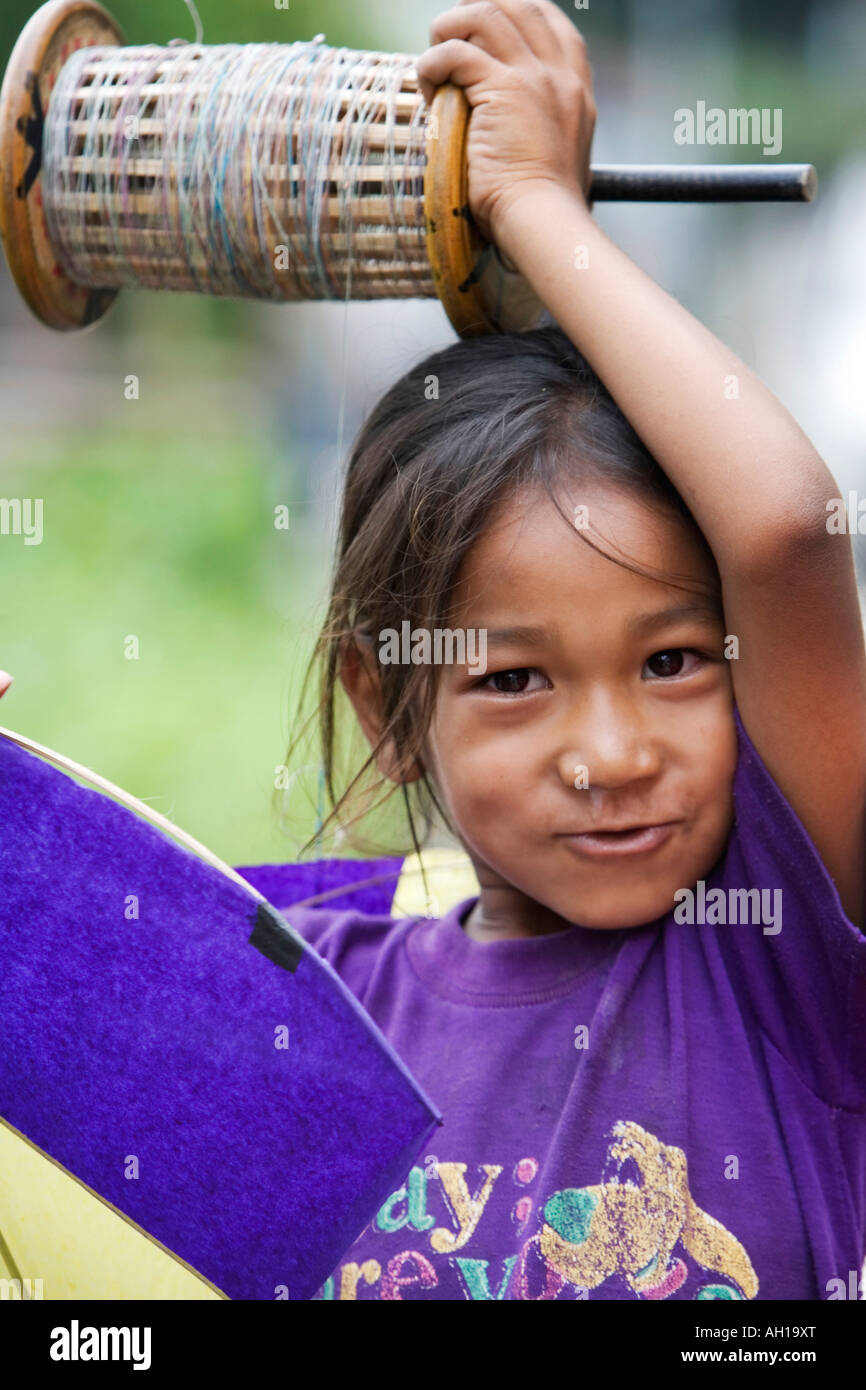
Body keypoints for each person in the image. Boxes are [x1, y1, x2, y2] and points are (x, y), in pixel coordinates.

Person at [277, 0, 866, 1300]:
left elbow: (780, 530)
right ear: (385, 703)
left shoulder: (774, 948)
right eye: (509, 678)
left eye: (670, 661)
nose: (609, 754)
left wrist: (538, 212)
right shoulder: (303, 998)